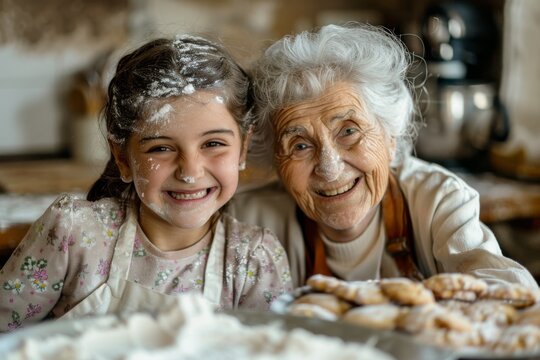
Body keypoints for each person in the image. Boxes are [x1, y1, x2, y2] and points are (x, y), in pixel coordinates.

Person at [0, 34, 292, 332]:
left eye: (213, 143)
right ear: (123, 158)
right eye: (161, 148)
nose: (190, 172)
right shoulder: (75, 234)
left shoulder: (253, 260)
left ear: (243, 148)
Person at [227, 23, 538, 289]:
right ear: (276, 163)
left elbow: (509, 292)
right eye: (299, 145)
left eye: (348, 131)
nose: (329, 167)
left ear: (391, 137)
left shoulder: (435, 201)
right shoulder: (251, 220)